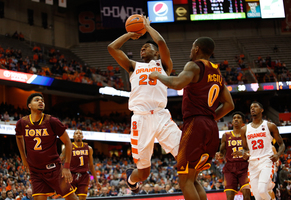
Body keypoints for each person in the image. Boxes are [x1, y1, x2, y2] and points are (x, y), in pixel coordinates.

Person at [149, 36, 234, 200]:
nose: (190, 51)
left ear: (196, 49)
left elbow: (177, 83)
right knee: (193, 179)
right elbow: (229, 104)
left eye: (191, 48)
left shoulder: (194, 66)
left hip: (195, 124)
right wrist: (210, 118)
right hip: (211, 126)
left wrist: (157, 75)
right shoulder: (217, 73)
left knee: (184, 181)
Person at [107, 15, 182, 193]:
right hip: (140, 119)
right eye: (141, 48)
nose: (142, 49)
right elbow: (112, 48)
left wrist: (147, 27)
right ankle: (131, 179)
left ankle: (190, 185)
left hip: (161, 115)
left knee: (184, 153)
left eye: (146, 47)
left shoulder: (163, 65)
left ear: (155, 53)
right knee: (143, 173)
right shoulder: (134, 66)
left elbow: (162, 43)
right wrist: (130, 34)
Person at [15, 93, 78, 200]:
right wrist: (23, 158)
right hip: (35, 171)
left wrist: (66, 167)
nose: (41, 102)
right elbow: (19, 137)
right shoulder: (22, 122)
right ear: (29, 105)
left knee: (71, 197)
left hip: (54, 169)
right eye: (37, 100)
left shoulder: (52, 121)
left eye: (42, 101)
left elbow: (68, 142)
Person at [232, 101, 285, 200]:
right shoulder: (244, 129)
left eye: (255, 107)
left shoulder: (270, 126)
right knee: (258, 197)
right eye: (251, 107)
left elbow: (281, 144)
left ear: (262, 110)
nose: (252, 108)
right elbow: (245, 149)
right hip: (252, 164)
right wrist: (243, 153)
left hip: (266, 160)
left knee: (262, 190)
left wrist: (277, 155)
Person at [215, 112, 251, 200]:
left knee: (247, 194)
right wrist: (219, 155)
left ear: (243, 121)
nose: (236, 119)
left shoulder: (247, 135)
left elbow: (250, 150)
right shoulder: (226, 136)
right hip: (230, 167)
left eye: (238, 118)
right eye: (234, 118)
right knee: (230, 196)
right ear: (232, 121)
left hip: (244, 166)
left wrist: (245, 153)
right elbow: (222, 152)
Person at [60, 130, 100, 200]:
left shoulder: (89, 148)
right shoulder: (68, 147)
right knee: (70, 198)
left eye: (80, 133)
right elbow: (60, 161)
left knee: (82, 198)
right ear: (73, 136)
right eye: (76, 133)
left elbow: (91, 166)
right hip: (71, 175)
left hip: (84, 176)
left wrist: (97, 181)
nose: (78, 135)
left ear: (82, 136)